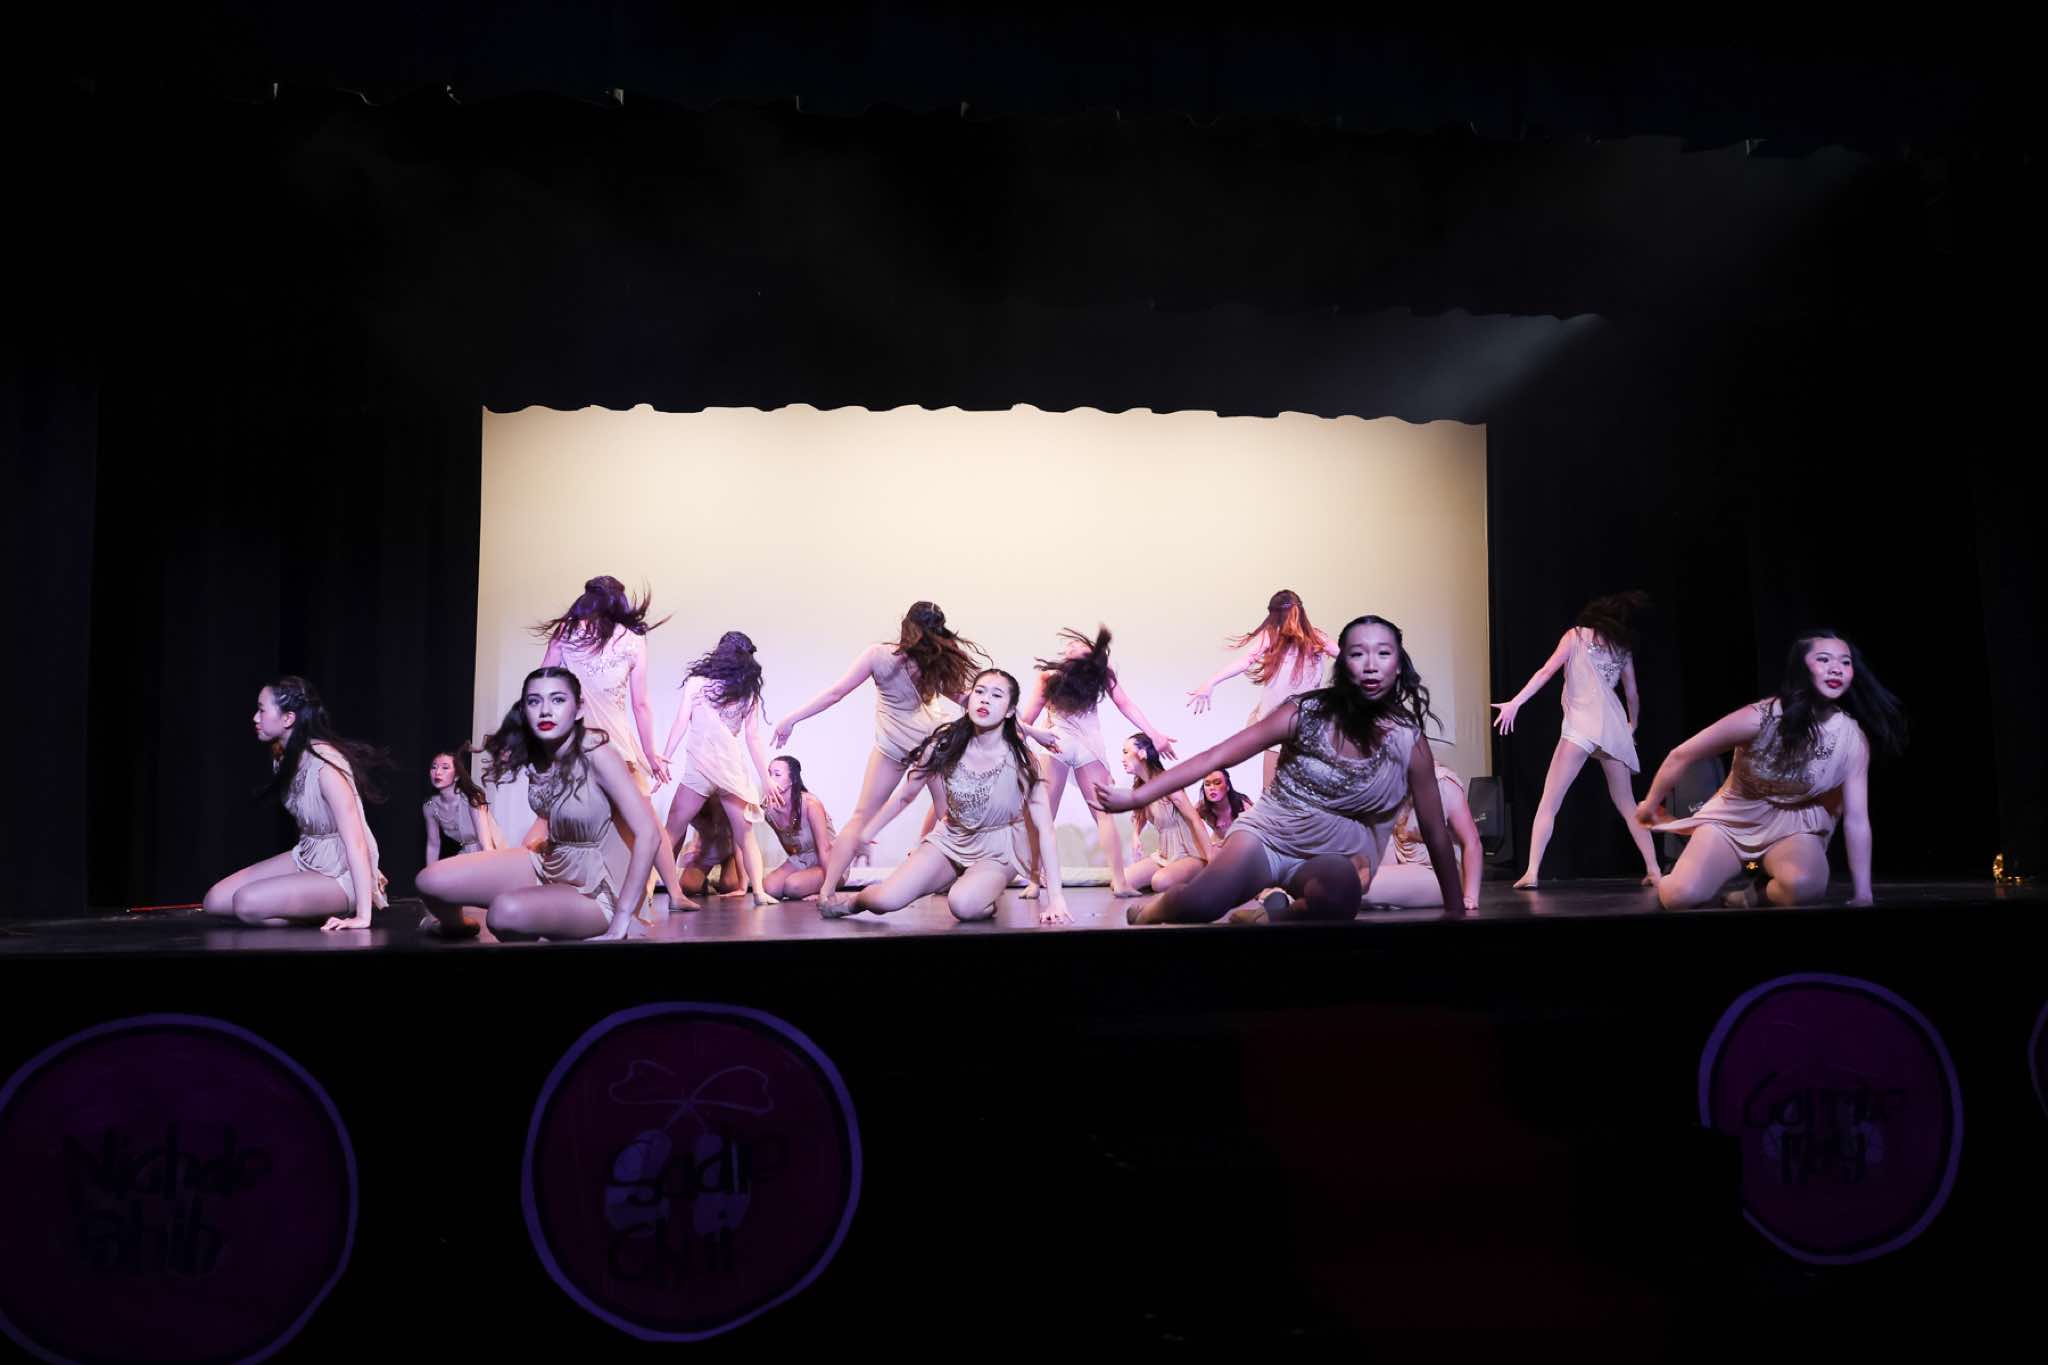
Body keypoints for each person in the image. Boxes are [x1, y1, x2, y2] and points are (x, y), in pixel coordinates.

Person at [1101, 616, 1461, 922]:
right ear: (1342, 664)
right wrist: (1135, 797)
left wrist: (1456, 912)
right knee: (1201, 904)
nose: (1370, 664)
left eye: (1383, 653)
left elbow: (1435, 830)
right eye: (1357, 654)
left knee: (1342, 895)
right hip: (1267, 837)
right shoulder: (1305, 713)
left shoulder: (1408, 741)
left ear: (1398, 664)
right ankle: (1154, 910)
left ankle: (1275, 916)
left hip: (1328, 855)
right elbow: (1215, 757)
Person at [1642, 630, 1904, 910]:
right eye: (1824, 659)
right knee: (1680, 897)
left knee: (1804, 886)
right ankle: (1670, 881)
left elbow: (1857, 819)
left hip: (1795, 825)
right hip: (1733, 819)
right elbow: (1681, 755)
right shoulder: (1760, 718)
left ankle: (1750, 897)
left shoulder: (1851, 739)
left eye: (1845, 662)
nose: (1836, 668)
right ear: (1802, 667)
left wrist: (1863, 894)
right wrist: (1650, 804)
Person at [414, 667, 664, 941]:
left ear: (578, 709)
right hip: (550, 863)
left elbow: (649, 833)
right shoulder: (540, 753)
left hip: (597, 889)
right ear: (524, 710)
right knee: (430, 881)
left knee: (505, 913)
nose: (545, 711)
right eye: (535, 701)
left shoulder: (598, 754)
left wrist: (623, 917)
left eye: (558, 700)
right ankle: (456, 927)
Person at [821, 669, 1072, 925]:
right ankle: (851, 902)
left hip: (999, 850)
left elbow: (1045, 829)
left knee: (963, 905)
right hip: (951, 838)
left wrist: (1056, 898)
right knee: (885, 900)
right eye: (980, 691)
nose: (985, 699)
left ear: (1010, 711)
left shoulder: (1022, 761)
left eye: (996, 695)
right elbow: (905, 795)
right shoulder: (943, 745)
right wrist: (867, 832)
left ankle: (982, 899)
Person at [537, 574, 691, 906]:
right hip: (616, 746)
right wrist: (650, 754)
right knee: (646, 823)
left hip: (573, 744)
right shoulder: (632, 640)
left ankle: (557, 891)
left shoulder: (566, 633)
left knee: (562, 820)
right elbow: (641, 704)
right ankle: (675, 894)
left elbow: (542, 682)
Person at [1491, 591, 1661, 887]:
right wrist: (1631, 727)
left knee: (1550, 801)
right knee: (1627, 804)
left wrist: (1516, 702)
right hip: (1612, 730)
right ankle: (1654, 869)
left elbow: (1545, 672)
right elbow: (1632, 694)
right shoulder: (1622, 650)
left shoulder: (1576, 636)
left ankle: (1532, 872)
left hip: (1581, 728)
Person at [202, 676, 389, 931]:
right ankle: (312, 908)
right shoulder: (283, 756)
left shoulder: (326, 768)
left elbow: (356, 843)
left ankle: (329, 907)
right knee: (214, 901)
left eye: (262, 710)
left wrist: (363, 916)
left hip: (342, 873)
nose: (255, 718)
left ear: (288, 718)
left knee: (246, 904)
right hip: (308, 854)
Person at [1017, 626, 1177, 897]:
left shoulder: (1074, 675)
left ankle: (1114, 882)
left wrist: (1154, 734)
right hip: (1069, 744)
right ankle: (1039, 881)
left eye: (1078, 646)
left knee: (1086, 816)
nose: (1071, 645)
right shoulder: (1062, 676)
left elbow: (1125, 705)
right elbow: (1027, 721)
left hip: (1070, 744)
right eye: (1071, 645)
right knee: (1058, 817)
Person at [659, 631, 777, 908]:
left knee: (673, 829)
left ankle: (656, 890)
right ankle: (759, 892)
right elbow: (752, 738)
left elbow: (682, 721)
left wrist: (666, 756)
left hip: (710, 767)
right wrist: (664, 757)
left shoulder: (707, 684)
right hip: (719, 767)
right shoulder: (736, 688)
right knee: (742, 836)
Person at [1185, 589, 1338, 790]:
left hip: (1303, 725)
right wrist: (1211, 682)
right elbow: (1244, 661)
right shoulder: (1271, 637)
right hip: (1274, 722)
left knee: (1304, 787)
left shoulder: (1316, 639)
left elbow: (1346, 658)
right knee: (1270, 790)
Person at [1364, 755, 1484, 912]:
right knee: (1346, 876)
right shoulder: (1388, 782)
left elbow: (1472, 841)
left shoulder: (1441, 783)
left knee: (1360, 884)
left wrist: (1470, 897)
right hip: (1400, 864)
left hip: (1435, 871)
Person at [1117, 733, 1212, 894]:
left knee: (1159, 882)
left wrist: (1211, 861)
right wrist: (1135, 835)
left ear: (1142, 753)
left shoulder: (1168, 783)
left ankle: (1196, 874)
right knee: (1121, 882)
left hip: (1190, 853)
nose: (1122, 758)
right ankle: (1172, 876)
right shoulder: (1142, 788)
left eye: (1126, 752)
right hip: (1165, 854)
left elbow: (1195, 820)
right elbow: (1140, 816)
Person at [762, 754, 838, 900]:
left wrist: (828, 890)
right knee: (769, 888)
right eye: (769, 774)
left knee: (793, 886)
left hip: (829, 859)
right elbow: (790, 848)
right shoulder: (769, 809)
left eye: (777, 774)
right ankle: (807, 881)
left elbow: (825, 849)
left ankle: (825, 886)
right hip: (803, 858)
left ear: (793, 779)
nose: (770, 780)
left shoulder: (811, 804)